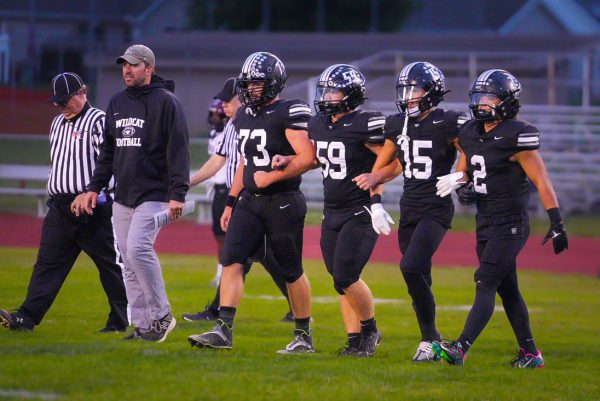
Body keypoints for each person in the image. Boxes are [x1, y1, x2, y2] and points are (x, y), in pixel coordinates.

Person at [432, 69, 568, 368]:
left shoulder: (517, 135)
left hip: (511, 222)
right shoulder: (469, 131)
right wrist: (462, 187)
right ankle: (531, 354)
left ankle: (460, 347)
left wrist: (556, 222)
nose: (482, 103)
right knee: (507, 289)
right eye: (479, 97)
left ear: (507, 101)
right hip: (485, 221)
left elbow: (543, 181)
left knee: (484, 280)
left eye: (490, 97)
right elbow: (464, 171)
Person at [188, 52, 315, 353]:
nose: (250, 89)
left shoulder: (290, 111)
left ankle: (303, 335)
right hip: (249, 201)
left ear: (273, 83)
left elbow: (309, 157)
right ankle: (223, 330)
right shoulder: (244, 115)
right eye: (249, 84)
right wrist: (231, 201)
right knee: (232, 261)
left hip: (283, 200)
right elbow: (245, 162)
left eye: (257, 84)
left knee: (290, 270)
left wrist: (272, 177)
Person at [73, 44, 190, 342]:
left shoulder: (167, 102)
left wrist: (178, 193)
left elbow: (178, 150)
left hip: (154, 193)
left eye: (134, 65)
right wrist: (93, 187)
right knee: (126, 258)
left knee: (138, 249)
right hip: (122, 195)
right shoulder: (116, 103)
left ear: (149, 69)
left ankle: (162, 316)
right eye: (124, 65)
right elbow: (108, 152)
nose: (127, 69)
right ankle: (142, 324)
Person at [353, 61, 468, 362]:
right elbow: (381, 167)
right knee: (419, 278)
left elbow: (470, 150)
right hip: (410, 207)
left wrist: (460, 175)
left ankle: (430, 338)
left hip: (436, 207)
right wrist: (375, 201)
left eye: (415, 90)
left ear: (432, 91)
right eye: (406, 90)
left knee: (411, 267)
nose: (409, 96)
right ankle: (430, 340)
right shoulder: (397, 123)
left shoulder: (449, 121)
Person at [0, 72, 128, 333]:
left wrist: (94, 193)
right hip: (60, 208)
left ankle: (120, 320)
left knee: (110, 266)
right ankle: (26, 317)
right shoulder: (57, 123)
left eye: (64, 101)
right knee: (47, 263)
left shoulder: (98, 121)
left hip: (92, 207)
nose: (60, 106)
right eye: (56, 102)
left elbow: (113, 166)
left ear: (82, 93)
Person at [181, 77, 293, 323]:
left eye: (227, 101)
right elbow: (218, 160)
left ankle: (218, 312)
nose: (223, 106)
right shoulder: (232, 124)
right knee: (254, 256)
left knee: (247, 256)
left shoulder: (260, 121)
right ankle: (295, 307)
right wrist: (190, 182)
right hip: (238, 198)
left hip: (258, 198)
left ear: (242, 98)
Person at [306, 64, 399, 357]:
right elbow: (319, 158)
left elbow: (394, 163)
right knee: (340, 281)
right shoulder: (319, 124)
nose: (328, 96)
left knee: (346, 275)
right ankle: (354, 339)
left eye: (334, 91)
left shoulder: (366, 123)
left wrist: (376, 193)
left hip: (359, 210)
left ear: (350, 95)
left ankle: (370, 331)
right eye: (327, 90)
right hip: (331, 210)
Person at [205, 98, 229, 288]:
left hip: (229, 189)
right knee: (218, 235)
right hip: (218, 189)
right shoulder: (214, 133)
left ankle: (226, 273)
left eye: (216, 113)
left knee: (228, 236)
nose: (213, 117)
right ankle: (221, 272)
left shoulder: (232, 132)